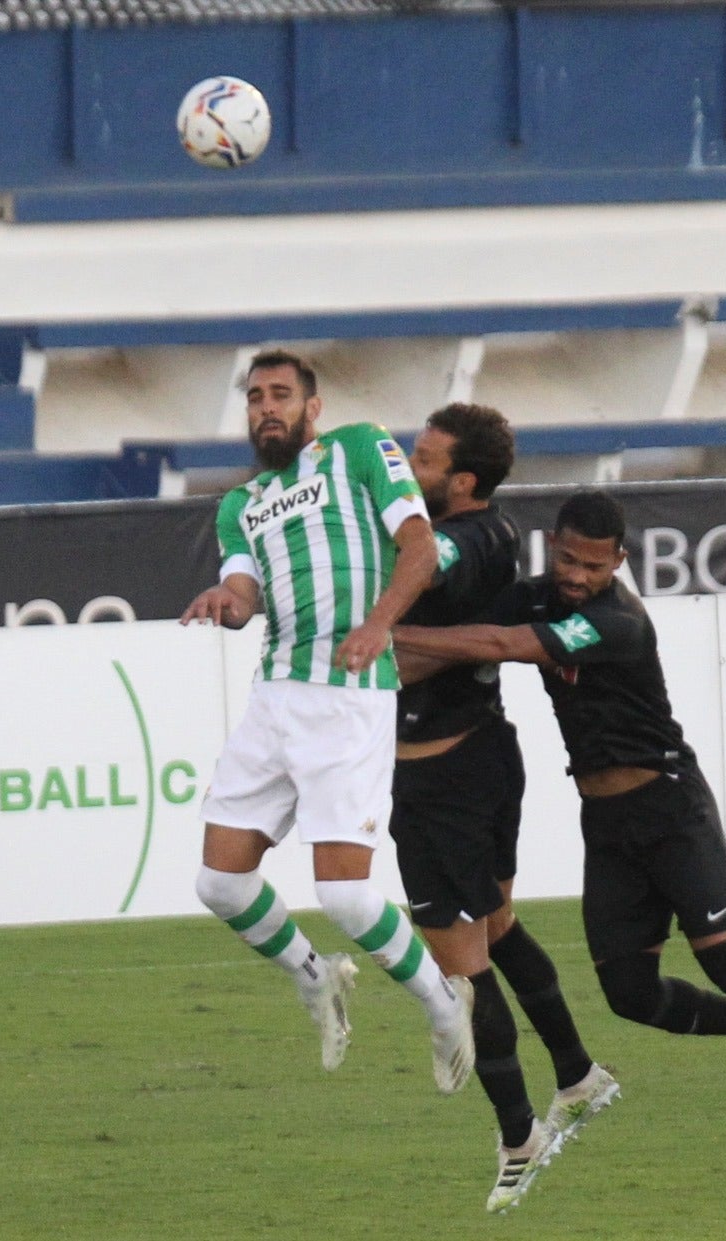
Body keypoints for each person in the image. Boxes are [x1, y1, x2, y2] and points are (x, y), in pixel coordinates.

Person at [394, 489, 726, 1139]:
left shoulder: (616, 618)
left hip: (671, 809)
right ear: (554, 548)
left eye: (593, 566)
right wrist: (391, 653)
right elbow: (467, 633)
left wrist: (387, 632)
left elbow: (501, 642)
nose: (577, 575)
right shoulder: (538, 595)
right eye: (568, 559)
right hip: (606, 824)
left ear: (619, 562)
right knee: (630, 996)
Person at [181, 349, 475, 1095]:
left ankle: (445, 1006)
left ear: (313, 407)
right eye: (254, 397)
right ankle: (316, 977)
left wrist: (379, 624)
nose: (266, 407)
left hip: (348, 695)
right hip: (276, 696)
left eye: (281, 394)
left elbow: (419, 547)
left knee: (344, 895)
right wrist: (227, 604)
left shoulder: (359, 449)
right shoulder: (238, 505)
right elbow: (245, 593)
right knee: (218, 881)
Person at [396, 407, 619, 1212]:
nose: (402, 463)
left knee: (464, 965)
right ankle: (579, 1072)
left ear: (461, 479)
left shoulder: (465, 540)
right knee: (494, 928)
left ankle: (520, 1133)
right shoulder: (485, 536)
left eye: (418, 456)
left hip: (444, 782)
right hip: (481, 762)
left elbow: (429, 582)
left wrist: (378, 638)